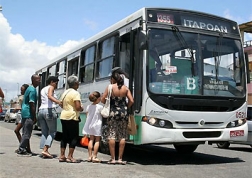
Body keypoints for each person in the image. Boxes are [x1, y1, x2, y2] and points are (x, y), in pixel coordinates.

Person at [101, 72, 134, 165]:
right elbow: (131, 100)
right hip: (123, 113)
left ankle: (113, 159)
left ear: (113, 79)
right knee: (122, 136)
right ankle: (120, 159)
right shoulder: (125, 88)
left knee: (111, 134)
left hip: (112, 113)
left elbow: (103, 99)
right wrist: (126, 106)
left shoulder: (110, 87)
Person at [58, 75, 83, 163]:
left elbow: (60, 104)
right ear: (75, 83)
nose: (79, 84)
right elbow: (77, 106)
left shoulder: (65, 92)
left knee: (64, 136)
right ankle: (70, 156)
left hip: (63, 116)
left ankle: (62, 156)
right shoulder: (75, 93)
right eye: (78, 83)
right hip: (72, 117)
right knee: (74, 137)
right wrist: (81, 108)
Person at [38, 76, 62, 158]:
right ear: (52, 82)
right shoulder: (51, 87)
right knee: (52, 131)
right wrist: (59, 102)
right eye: (56, 83)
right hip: (49, 111)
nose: (56, 85)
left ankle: (44, 150)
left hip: (41, 111)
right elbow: (50, 96)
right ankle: (45, 149)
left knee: (44, 132)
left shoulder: (42, 89)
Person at [16, 74, 41, 156]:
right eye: (37, 79)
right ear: (33, 80)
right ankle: (22, 149)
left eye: (40, 79)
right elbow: (32, 103)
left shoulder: (29, 89)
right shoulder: (32, 90)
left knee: (25, 132)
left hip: (25, 113)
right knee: (27, 133)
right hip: (28, 114)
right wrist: (34, 116)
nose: (39, 81)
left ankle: (23, 148)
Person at [82, 91, 103, 163]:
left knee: (91, 140)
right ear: (98, 98)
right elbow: (103, 114)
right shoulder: (100, 107)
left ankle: (89, 156)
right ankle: (95, 156)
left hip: (90, 125)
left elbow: (87, 115)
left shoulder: (88, 106)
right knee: (97, 140)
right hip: (98, 125)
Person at [14, 84, 30, 153]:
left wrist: (18, 108)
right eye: (21, 90)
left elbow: (26, 106)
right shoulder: (22, 96)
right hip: (21, 115)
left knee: (23, 132)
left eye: (22, 90)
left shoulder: (27, 97)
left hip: (25, 115)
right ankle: (25, 147)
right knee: (23, 133)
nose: (21, 91)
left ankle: (23, 147)